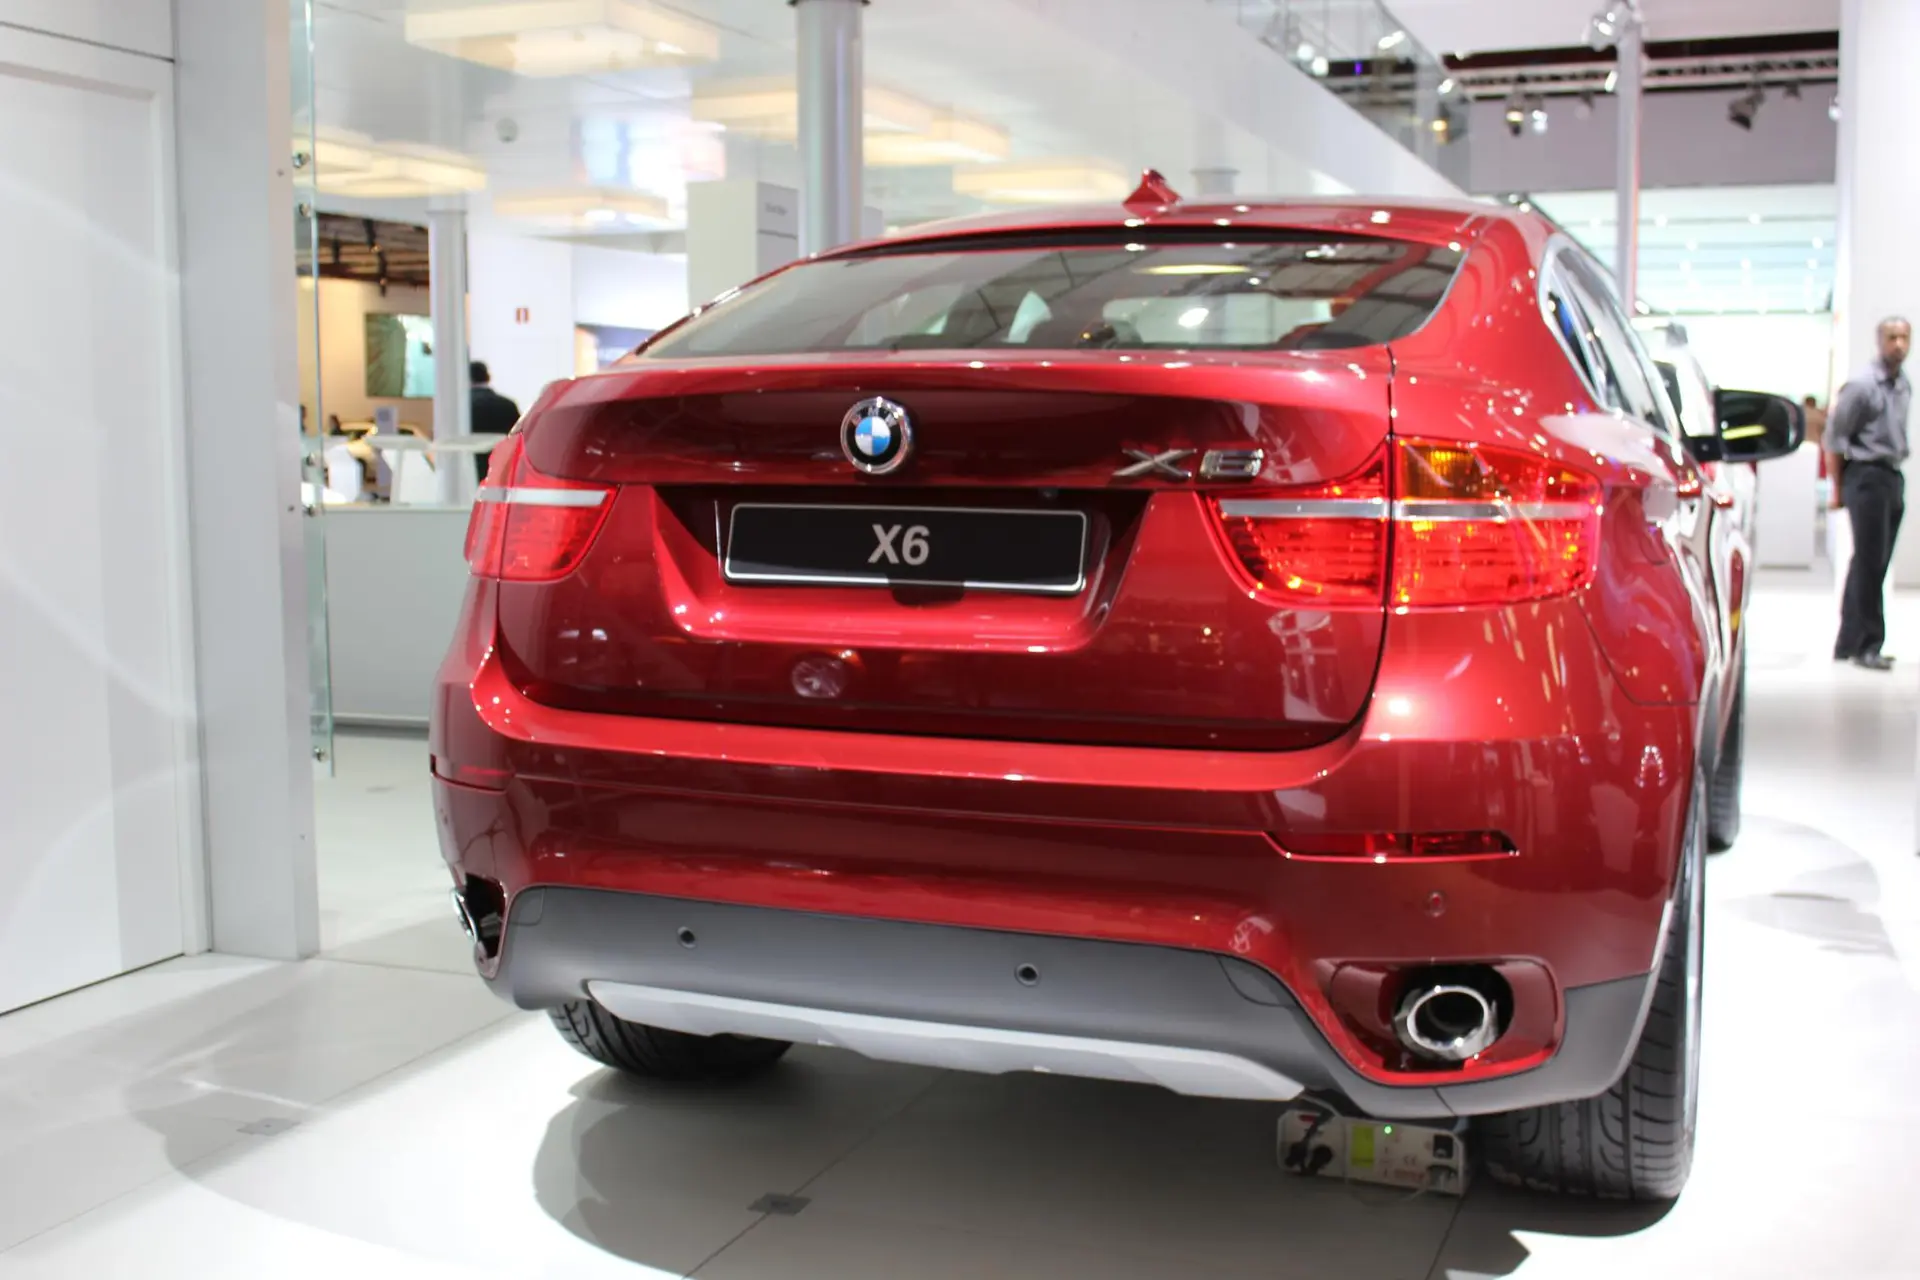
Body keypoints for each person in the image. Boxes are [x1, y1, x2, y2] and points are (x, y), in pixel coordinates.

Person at [1828, 316, 1913, 671]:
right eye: (1892, 337)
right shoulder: (1862, 386)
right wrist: (1837, 489)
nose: (1899, 344)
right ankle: (1868, 644)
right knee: (1869, 561)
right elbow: (1834, 438)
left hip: (1891, 475)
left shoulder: (1903, 385)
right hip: (1865, 476)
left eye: (1904, 337)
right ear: (1879, 340)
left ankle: (1848, 641)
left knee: (1872, 561)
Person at [469, 361, 520, 483]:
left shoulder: (460, 408)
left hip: (471, 469)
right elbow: (518, 435)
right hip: (502, 469)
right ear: (488, 377)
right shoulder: (508, 404)